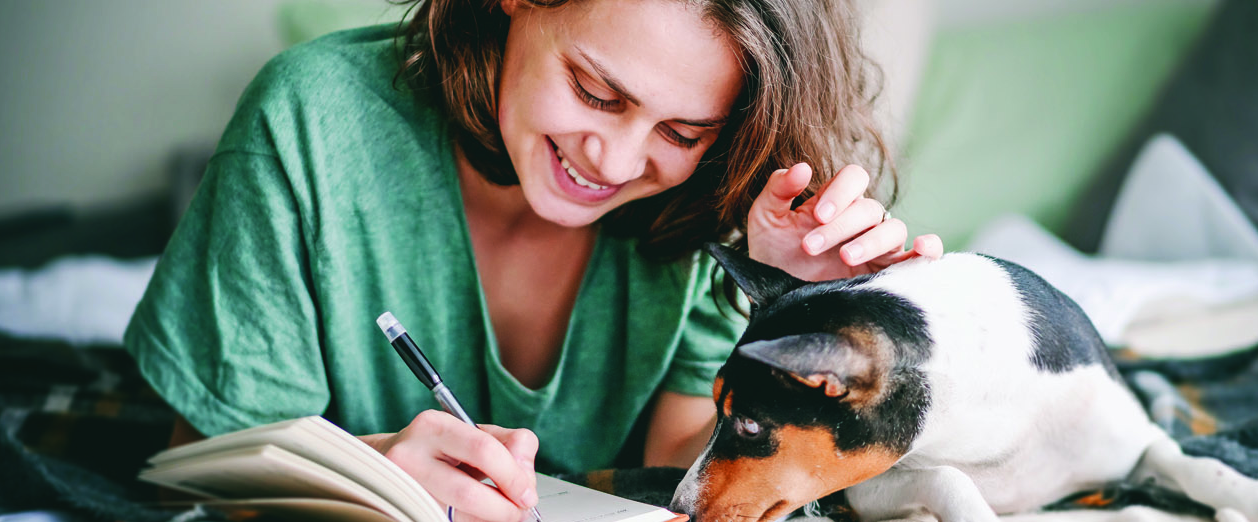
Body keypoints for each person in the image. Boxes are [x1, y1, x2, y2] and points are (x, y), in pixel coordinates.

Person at [123, 0, 942, 521]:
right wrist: (373, 471)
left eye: (680, 133)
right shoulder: (311, 121)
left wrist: (795, 315)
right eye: (595, 92)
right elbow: (183, 484)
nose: (618, 164)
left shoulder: (720, 199)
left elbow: (678, 465)